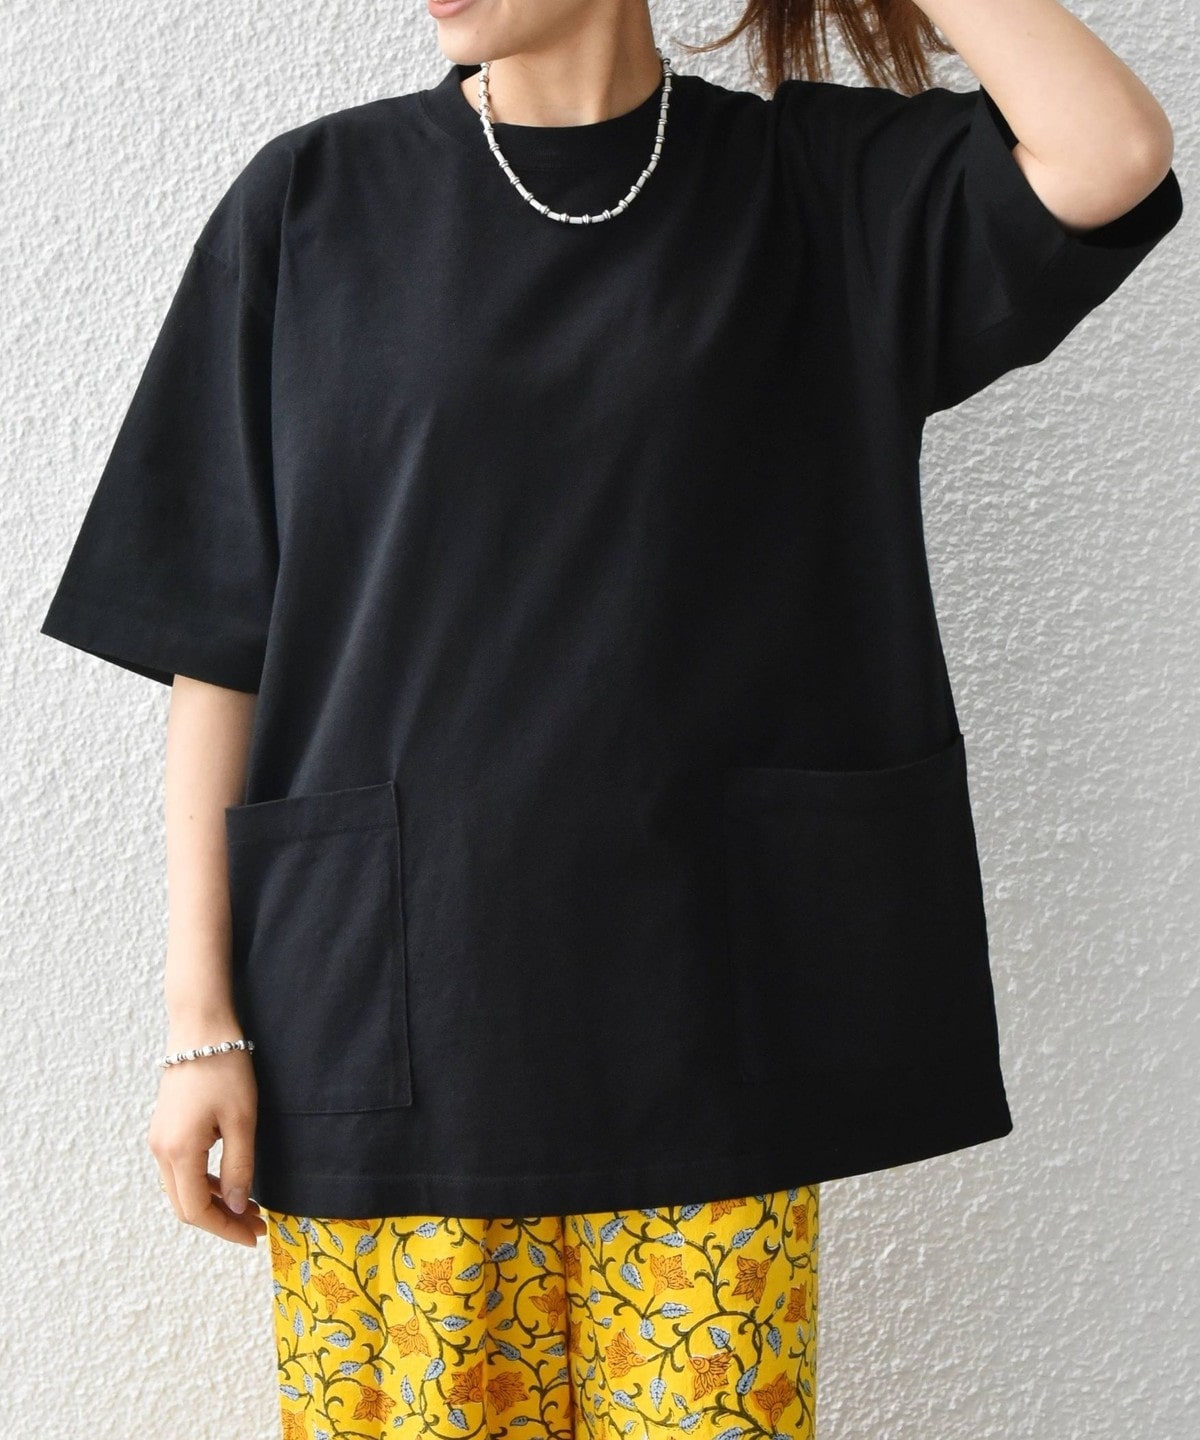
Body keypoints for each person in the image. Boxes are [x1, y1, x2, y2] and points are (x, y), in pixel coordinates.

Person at [39, 0, 1181, 1435]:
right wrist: (200, 1028)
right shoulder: (311, 202)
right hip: (389, 1027)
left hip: (708, 1035)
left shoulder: (815, 193)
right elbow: (217, 643)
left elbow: (1109, 154)